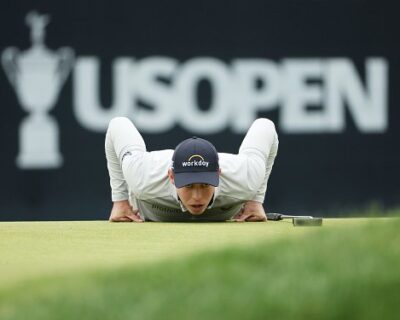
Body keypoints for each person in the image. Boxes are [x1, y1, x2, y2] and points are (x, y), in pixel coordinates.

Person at [105, 117, 278, 222]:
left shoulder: (245, 178)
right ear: (171, 176)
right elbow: (117, 125)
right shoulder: (143, 174)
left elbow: (265, 126)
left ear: (218, 174)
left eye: (204, 185)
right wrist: (120, 200)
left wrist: (255, 200)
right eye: (188, 185)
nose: (197, 197)